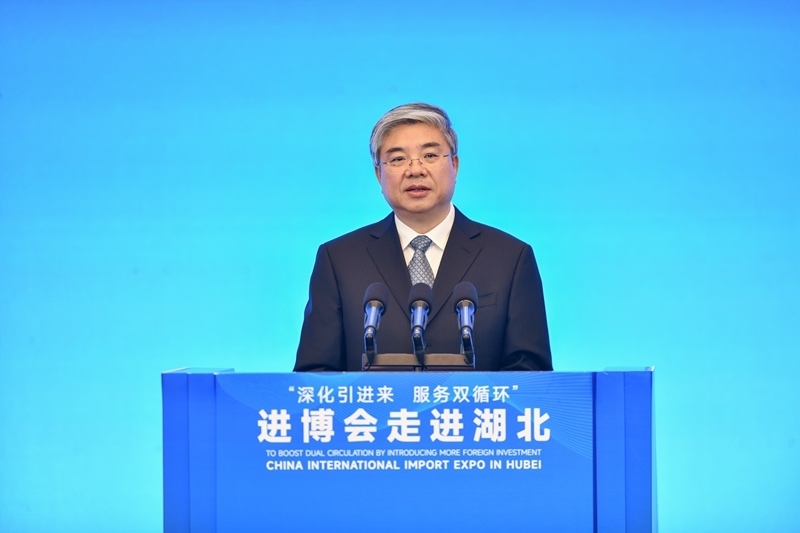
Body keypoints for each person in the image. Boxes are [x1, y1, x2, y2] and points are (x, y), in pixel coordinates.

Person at [294, 103, 552, 372]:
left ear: (454, 165)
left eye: (430, 155)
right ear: (378, 174)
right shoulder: (339, 260)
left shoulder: (510, 258)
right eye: (397, 159)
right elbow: (315, 376)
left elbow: (531, 373)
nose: (415, 170)